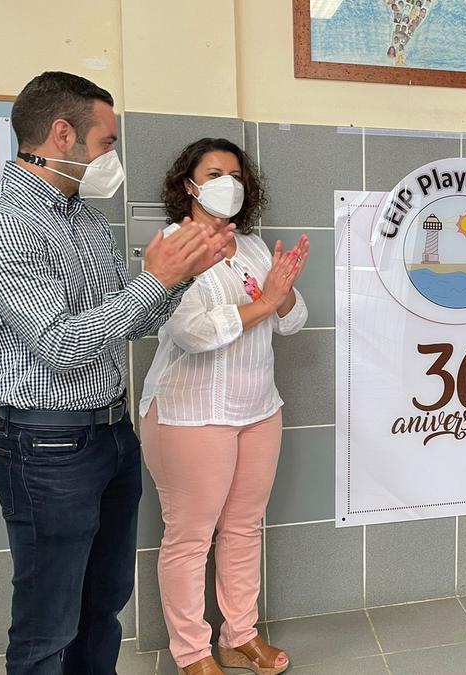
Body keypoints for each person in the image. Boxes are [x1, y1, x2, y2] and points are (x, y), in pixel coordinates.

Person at [0, 72, 232, 675]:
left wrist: (183, 272)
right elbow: (60, 345)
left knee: (102, 607)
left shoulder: (83, 220)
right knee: (48, 626)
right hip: (46, 443)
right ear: (62, 135)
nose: (112, 157)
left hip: (110, 433)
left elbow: (123, 325)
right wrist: (156, 279)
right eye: (106, 142)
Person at [138, 138, 308, 675]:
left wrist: (281, 293)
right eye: (213, 172)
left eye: (234, 173)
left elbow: (294, 320)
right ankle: (192, 653)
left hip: (258, 409)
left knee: (242, 527)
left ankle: (240, 634)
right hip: (190, 413)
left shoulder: (255, 249)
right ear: (188, 184)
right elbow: (193, 334)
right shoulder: (172, 247)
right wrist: (264, 302)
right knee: (189, 537)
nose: (226, 182)